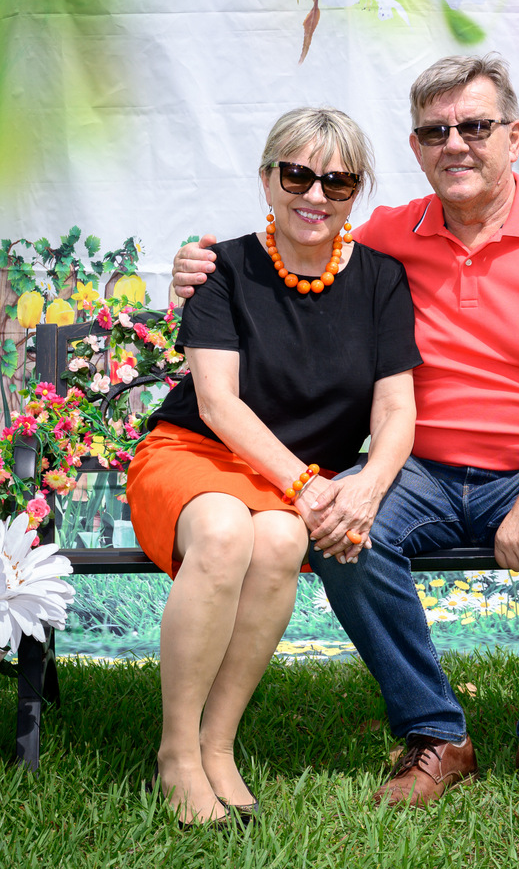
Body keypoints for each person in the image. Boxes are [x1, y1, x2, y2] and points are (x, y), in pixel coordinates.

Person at [171, 54, 519, 806]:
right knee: (340, 526)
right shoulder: (389, 235)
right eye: (434, 132)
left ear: (514, 136)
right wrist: (200, 268)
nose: (455, 144)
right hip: (419, 469)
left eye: (475, 127)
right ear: (416, 147)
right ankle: (434, 732)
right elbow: (302, 245)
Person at [127, 106, 420, 827]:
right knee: (225, 533)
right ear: (267, 180)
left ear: (356, 193)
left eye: (337, 182)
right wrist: (308, 486)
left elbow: (395, 410)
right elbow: (218, 404)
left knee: (284, 539)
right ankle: (176, 752)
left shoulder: (382, 280)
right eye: (296, 175)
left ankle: (218, 744)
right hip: (194, 453)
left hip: (289, 482)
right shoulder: (220, 269)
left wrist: (365, 486)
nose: (315, 195)